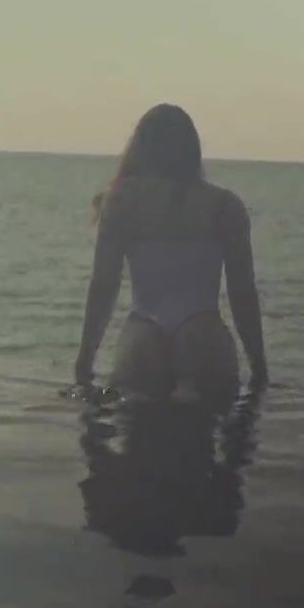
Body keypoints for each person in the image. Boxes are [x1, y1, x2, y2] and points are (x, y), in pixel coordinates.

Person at [73, 104, 267, 404]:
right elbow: (242, 293)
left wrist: (84, 363)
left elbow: (104, 286)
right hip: (203, 333)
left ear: (140, 148)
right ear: (193, 149)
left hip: (143, 335)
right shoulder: (224, 205)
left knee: (136, 423)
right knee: (208, 424)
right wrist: (259, 368)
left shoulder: (122, 201)